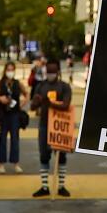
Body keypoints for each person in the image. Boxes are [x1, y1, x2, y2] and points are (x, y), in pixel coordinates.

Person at [30, 59, 72, 198]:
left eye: (53, 72)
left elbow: (66, 104)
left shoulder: (64, 87)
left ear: (58, 72)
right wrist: (36, 103)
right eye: (49, 72)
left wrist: (50, 103)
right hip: (44, 124)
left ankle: (60, 186)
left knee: (61, 156)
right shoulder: (41, 86)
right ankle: (45, 186)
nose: (51, 74)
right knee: (44, 155)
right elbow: (33, 106)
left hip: (60, 126)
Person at [0, 62, 25, 174]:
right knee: (2, 139)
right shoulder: (0, 84)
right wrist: (0, 98)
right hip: (3, 115)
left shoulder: (17, 83)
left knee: (15, 139)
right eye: (8, 69)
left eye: (12, 70)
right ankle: (1, 164)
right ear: (5, 71)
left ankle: (16, 163)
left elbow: (27, 94)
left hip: (15, 115)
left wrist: (22, 104)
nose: (10, 72)